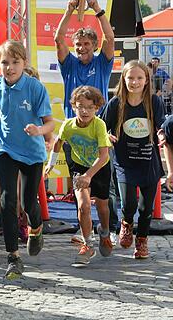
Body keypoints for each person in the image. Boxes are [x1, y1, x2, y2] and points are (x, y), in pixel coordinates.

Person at [0, 40, 54, 280]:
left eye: (15, 62)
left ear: (24, 63)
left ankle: (36, 227)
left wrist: (39, 130)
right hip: (5, 148)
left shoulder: (35, 88)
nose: (10, 67)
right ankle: (13, 257)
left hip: (32, 152)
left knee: (28, 202)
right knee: (6, 200)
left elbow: (50, 122)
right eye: (5, 62)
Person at [102, 61, 163, 260]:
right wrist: (106, 137)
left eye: (139, 78)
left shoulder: (154, 102)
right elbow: (101, 127)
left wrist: (162, 135)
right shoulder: (116, 103)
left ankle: (142, 240)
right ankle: (127, 223)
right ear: (124, 79)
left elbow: (160, 125)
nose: (134, 82)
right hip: (124, 163)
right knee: (129, 203)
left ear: (146, 81)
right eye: (130, 78)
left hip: (148, 162)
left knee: (147, 208)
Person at [46, 86, 112, 266]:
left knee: (102, 207)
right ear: (73, 106)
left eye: (90, 107)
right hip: (79, 167)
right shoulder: (68, 125)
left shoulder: (99, 124)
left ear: (97, 108)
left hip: (99, 168)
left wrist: (89, 175)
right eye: (80, 106)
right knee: (83, 206)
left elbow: (104, 155)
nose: (85, 111)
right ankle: (87, 244)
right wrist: (51, 164)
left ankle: (104, 232)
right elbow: (58, 143)